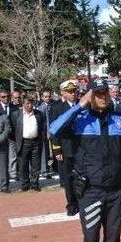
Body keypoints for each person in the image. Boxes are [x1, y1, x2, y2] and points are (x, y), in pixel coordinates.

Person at [49, 79, 121, 242]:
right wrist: (80, 105)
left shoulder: (119, 120)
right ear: (90, 96)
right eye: (97, 93)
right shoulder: (80, 120)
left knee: (113, 236)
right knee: (91, 238)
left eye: (105, 93)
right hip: (90, 191)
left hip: (115, 189)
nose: (103, 96)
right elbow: (54, 129)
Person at [50, 80, 79, 215]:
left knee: (82, 176)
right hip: (66, 147)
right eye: (70, 92)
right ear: (63, 93)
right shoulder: (57, 109)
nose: (73, 94)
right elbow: (54, 131)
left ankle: (82, 201)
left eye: (74, 91)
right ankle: (72, 204)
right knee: (68, 178)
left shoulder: (82, 106)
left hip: (82, 148)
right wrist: (57, 149)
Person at [10, 96, 44, 191]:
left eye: (31, 103)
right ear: (23, 104)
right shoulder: (16, 114)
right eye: (27, 104)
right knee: (23, 165)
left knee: (36, 165)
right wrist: (17, 140)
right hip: (23, 143)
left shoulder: (39, 114)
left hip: (36, 142)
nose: (30, 106)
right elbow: (12, 130)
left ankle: (35, 183)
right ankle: (25, 183)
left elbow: (42, 128)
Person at [36, 89, 55, 178]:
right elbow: (44, 121)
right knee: (45, 151)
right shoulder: (42, 107)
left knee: (53, 150)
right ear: (42, 98)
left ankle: (52, 167)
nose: (47, 98)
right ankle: (44, 170)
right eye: (45, 96)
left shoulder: (52, 105)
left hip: (52, 130)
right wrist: (47, 132)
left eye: (49, 96)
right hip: (44, 132)